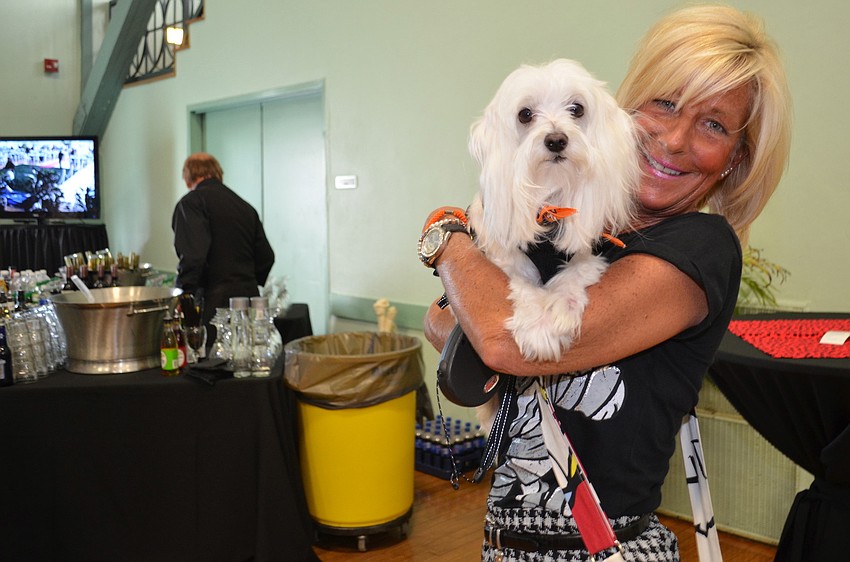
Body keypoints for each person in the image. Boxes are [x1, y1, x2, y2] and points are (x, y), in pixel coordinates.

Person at [422, 5, 791, 561]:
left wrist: (445, 235)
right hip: (502, 542)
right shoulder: (566, 222)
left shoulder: (701, 248)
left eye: (713, 124)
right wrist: (462, 296)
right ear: (624, 109)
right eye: (664, 103)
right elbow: (443, 319)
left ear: (735, 159)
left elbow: (500, 340)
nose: (672, 139)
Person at [172, 152, 275, 334]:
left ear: (188, 179)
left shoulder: (192, 203)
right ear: (219, 174)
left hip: (216, 303)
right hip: (249, 300)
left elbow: (194, 256)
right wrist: (245, 280)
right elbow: (267, 257)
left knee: (215, 359)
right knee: (248, 357)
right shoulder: (245, 207)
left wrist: (184, 294)